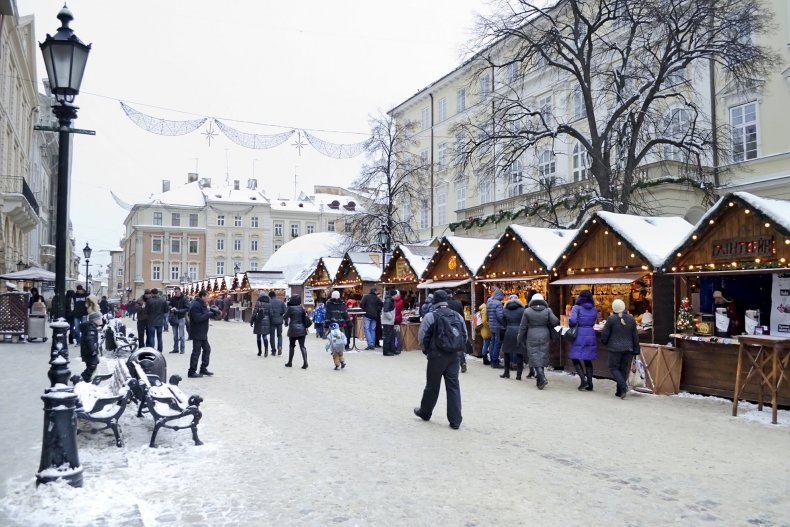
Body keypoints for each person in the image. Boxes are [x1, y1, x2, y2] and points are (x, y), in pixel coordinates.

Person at [413, 289, 465, 430]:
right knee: (453, 386)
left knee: (432, 385)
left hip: (436, 356)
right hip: (454, 356)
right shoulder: (457, 316)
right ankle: (455, 420)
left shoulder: (431, 316)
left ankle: (425, 412)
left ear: (434, 301)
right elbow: (464, 335)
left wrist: (427, 351)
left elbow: (422, 337)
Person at [517, 293, 559, 390]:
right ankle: (539, 380)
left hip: (531, 335)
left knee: (534, 356)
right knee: (542, 355)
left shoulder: (527, 311)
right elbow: (555, 321)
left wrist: (519, 338)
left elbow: (522, 327)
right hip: (545, 334)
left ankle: (542, 378)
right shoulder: (547, 310)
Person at [601, 299, 640, 399]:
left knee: (613, 368)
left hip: (614, 348)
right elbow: (635, 335)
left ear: (613, 308)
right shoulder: (631, 319)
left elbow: (605, 333)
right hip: (628, 348)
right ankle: (620, 391)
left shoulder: (611, 319)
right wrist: (636, 349)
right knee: (623, 369)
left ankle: (623, 387)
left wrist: (604, 342)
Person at [569, 289, 598, 391]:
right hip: (590, 333)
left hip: (579, 334)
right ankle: (590, 383)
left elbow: (572, 321)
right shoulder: (594, 309)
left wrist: (573, 323)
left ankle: (583, 380)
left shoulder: (577, 308)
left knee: (574, 357)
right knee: (588, 359)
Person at [188, 289, 214, 378]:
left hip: (202, 332)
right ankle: (191, 371)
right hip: (197, 332)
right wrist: (208, 314)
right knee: (196, 352)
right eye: (207, 296)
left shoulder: (203, 304)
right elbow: (197, 318)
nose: (208, 298)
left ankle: (203, 369)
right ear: (202, 296)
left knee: (207, 349)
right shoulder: (195, 305)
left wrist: (212, 313)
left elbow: (204, 315)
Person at [500, 294, 527, 380]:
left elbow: (503, 323)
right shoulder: (523, 310)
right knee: (519, 353)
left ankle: (506, 372)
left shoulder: (505, 310)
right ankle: (518, 375)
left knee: (507, 353)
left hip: (509, 331)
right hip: (519, 331)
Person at [283, 294, 310, 369]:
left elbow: (285, 316)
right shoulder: (302, 307)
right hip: (302, 329)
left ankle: (290, 362)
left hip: (293, 330)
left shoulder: (290, 308)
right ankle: (305, 362)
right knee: (302, 346)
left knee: (291, 346)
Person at [446, 292, 467, 373]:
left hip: (447, 326)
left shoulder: (445, 304)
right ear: (451, 294)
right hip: (457, 325)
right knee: (458, 345)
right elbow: (462, 315)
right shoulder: (458, 303)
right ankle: (463, 362)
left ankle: (449, 363)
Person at [79, 312, 103, 382]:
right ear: (95, 320)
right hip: (89, 351)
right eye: (99, 319)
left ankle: (85, 379)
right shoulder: (91, 328)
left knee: (91, 365)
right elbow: (90, 339)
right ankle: (83, 379)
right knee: (92, 365)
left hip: (87, 350)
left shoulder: (91, 326)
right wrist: (93, 350)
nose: (101, 320)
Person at [486, 288, 506, 369]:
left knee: (493, 343)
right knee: (497, 344)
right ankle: (495, 362)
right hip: (498, 327)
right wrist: (504, 324)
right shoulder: (498, 304)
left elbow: (487, 315)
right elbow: (500, 316)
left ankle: (492, 361)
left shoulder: (489, 302)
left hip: (492, 326)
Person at [168, 287, 190, 354]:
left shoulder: (184, 299)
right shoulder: (172, 299)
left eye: (176, 292)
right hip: (174, 318)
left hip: (181, 317)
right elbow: (169, 305)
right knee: (175, 335)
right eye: (175, 292)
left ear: (180, 291)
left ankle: (182, 349)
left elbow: (187, 308)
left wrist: (178, 311)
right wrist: (171, 308)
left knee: (181, 335)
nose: (175, 293)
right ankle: (175, 349)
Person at [268, 291, 286, 355]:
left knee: (272, 336)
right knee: (279, 335)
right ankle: (280, 346)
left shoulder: (269, 302)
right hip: (279, 321)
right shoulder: (281, 302)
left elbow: (268, 312)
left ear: (270, 296)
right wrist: (281, 315)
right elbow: (285, 311)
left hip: (272, 321)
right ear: (275, 295)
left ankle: (273, 351)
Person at [381, 289, 397, 356]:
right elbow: (386, 311)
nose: (397, 296)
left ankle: (391, 350)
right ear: (393, 295)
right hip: (387, 322)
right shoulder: (388, 301)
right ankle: (386, 351)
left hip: (389, 322)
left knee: (391, 336)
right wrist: (391, 317)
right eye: (396, 294)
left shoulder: (390, 300)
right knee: (387, 336)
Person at [478, 300, 491, 365]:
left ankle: (485, 358)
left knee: (485, 343)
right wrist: (488, 326)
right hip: (486, 329)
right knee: (486, 343)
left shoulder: (483, 308)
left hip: (484, 328)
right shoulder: (485, 309)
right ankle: (485, 359)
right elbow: (484, 320)